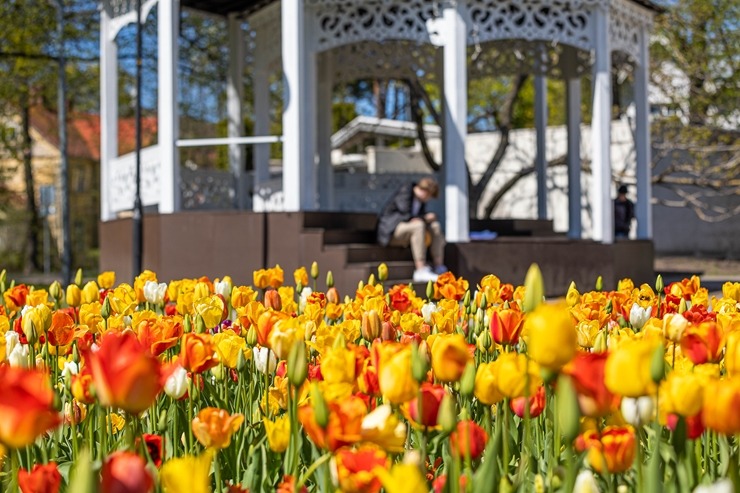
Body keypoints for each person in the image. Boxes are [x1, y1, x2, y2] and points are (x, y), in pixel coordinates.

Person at [376, 177, 447, 283]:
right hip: (391, 231)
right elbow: (407, 215)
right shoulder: (405, 192)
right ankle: (420, 270)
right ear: (425, 191)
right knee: (419, 226)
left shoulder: (421, 202)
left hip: (408, 231)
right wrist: (425, 218)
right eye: (429, 196)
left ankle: (439, 266)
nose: (428, 199)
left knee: (435, 226)